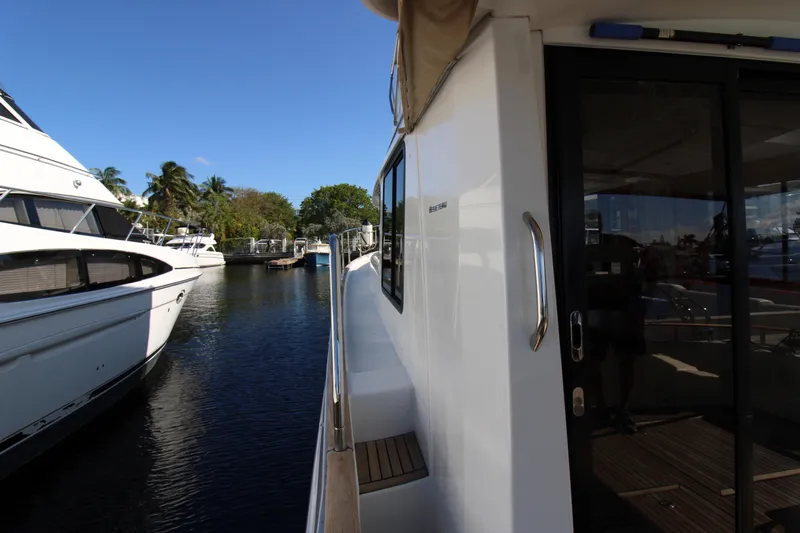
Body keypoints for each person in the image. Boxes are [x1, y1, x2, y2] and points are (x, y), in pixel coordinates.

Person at [585, 233, 647, 434]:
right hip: (600, 308)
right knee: (595, 361)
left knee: (624, 361)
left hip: (622, 309)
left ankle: (619, 409)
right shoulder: (598, 245)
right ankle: (604, 408)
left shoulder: (631, 246)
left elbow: (646, 274)